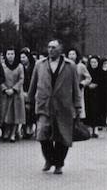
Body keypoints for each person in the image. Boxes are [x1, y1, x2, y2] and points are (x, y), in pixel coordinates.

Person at [30, 40, 80, 175]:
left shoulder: (70, 66)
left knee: (62, 136)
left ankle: (59, 164)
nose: (50, 49)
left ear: (60, 49)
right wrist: (29, 101)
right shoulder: (39, 65)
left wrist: (78, 106)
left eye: (54, 47)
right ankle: (49, 158)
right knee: (42, 134)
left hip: (63, 106)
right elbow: (33, 85)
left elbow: (76, 88)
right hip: (44, 105)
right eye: (49, 47)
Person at [0, 48, 25, 140]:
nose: (10, 56)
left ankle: (13, 133)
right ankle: (6, 131)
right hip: (5, 93)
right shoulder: (2, 66)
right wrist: (5, 89)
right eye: (8, 54)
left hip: (16, 93)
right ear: (6, 55)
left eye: (12, 54)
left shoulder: (19, 66)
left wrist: (14, 89)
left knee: (16, 114)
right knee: (5, 113)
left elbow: (21, 79)